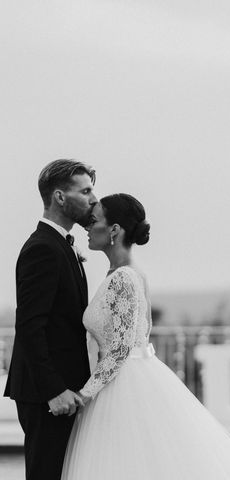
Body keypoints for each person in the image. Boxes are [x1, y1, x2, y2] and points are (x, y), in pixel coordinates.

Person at [61, 193, 230, 480]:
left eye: (94, 220)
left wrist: (85, 393)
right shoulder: (123, 273)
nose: (87, 226)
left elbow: (122, 348)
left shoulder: (124, 278)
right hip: (125, 378)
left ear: (114, 230)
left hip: (122, 384)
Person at [4, 160, 97, 480]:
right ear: (59, 197)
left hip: (64, 388)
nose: (93, 199)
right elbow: (29, 325)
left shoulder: (62, 245)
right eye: (85, 191)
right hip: (46, 393)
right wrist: (53, 390)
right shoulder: (42, 248)